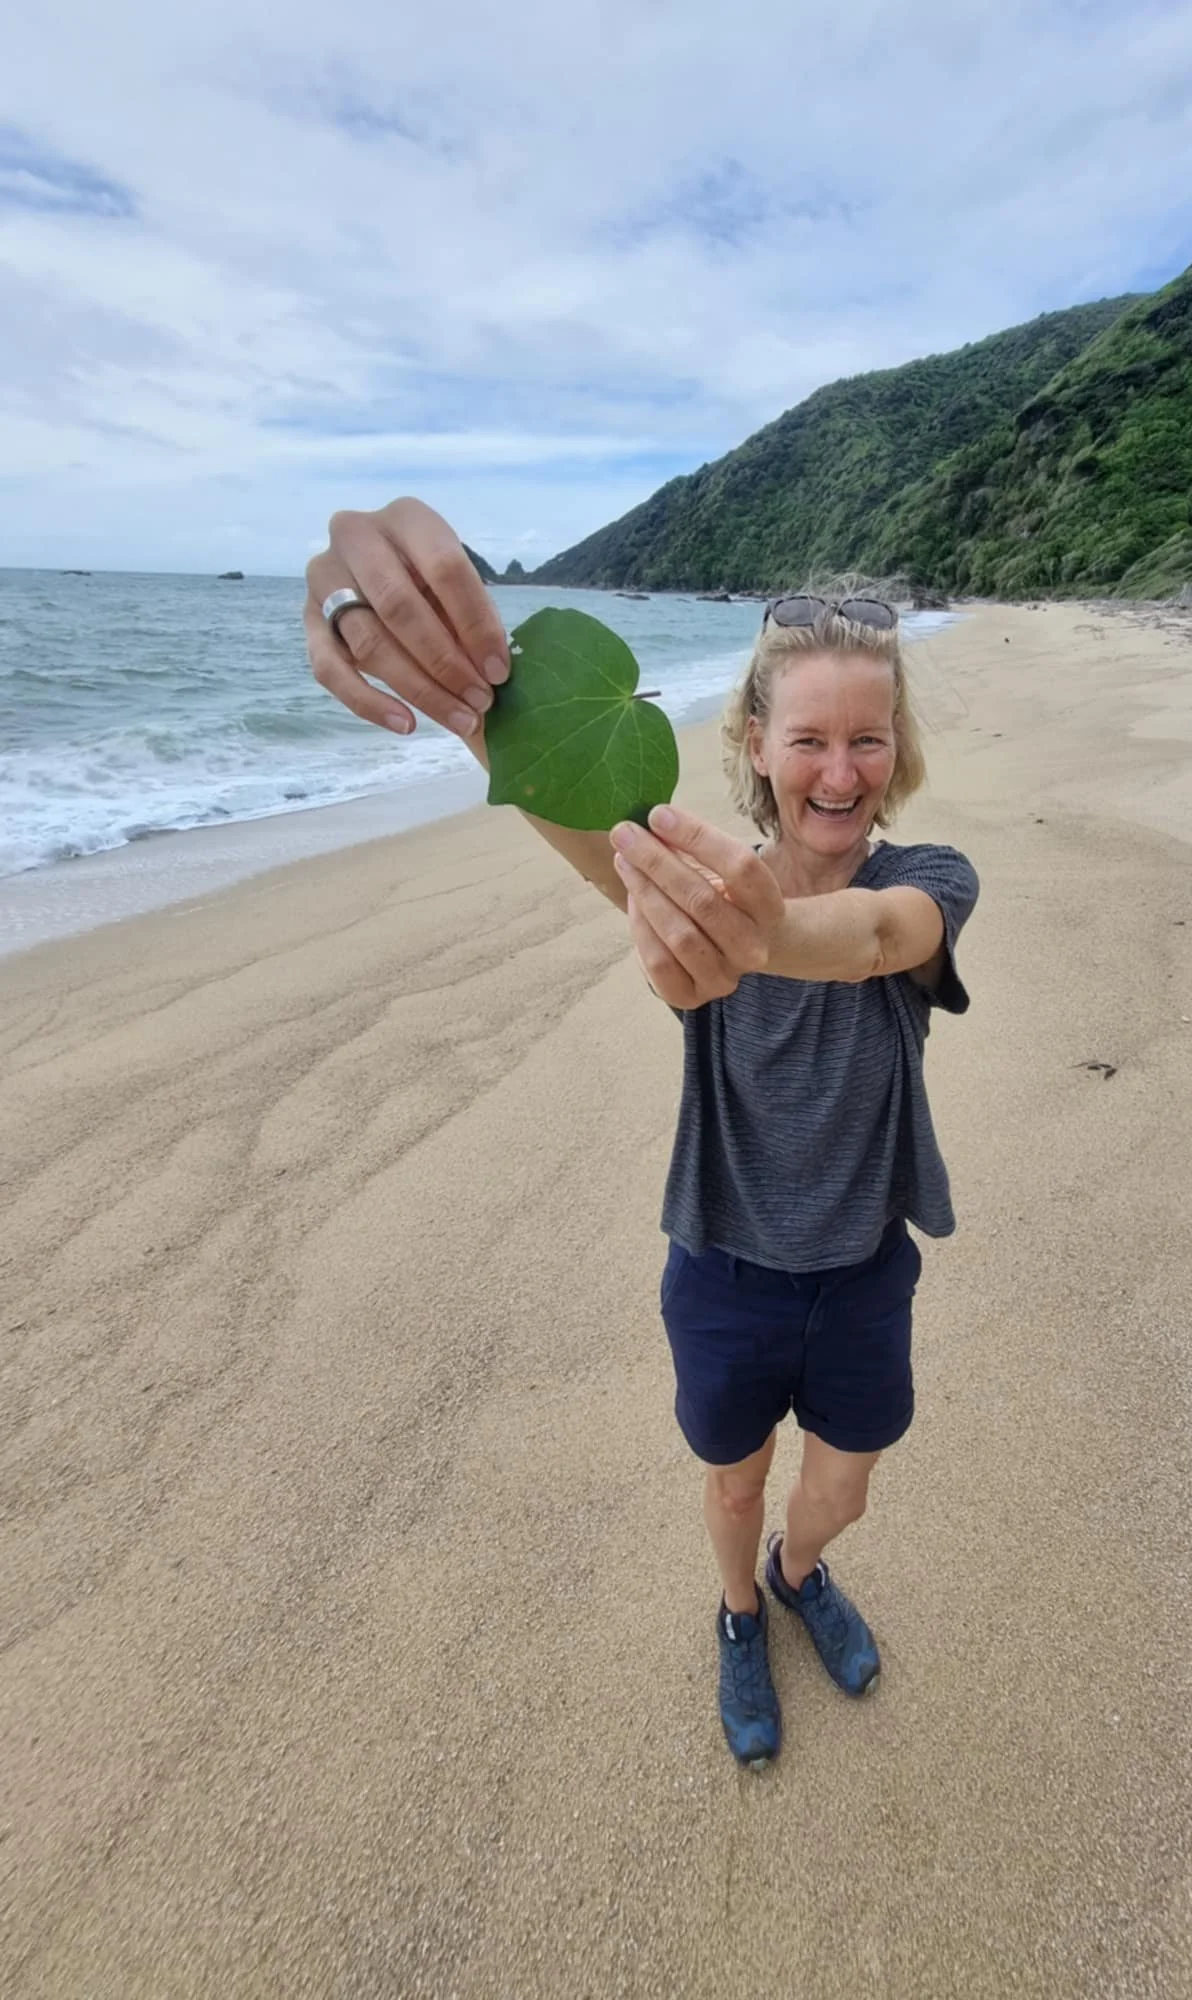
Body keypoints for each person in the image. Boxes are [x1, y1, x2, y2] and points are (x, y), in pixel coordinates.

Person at [304, 499, 978, 1769]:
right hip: (722, 1261)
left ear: (900, 750)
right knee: (730, 1477)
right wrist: (451, 685)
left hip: (864, 1268)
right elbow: (554, 788)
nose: (842, 771)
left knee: (842, 1485)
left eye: (869, 740)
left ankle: (798, 1572)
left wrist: (747, 925)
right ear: (757, 743)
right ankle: (739, 1612)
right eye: (813, 739)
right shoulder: (685, 880)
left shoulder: (928, 879)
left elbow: (879, 941)